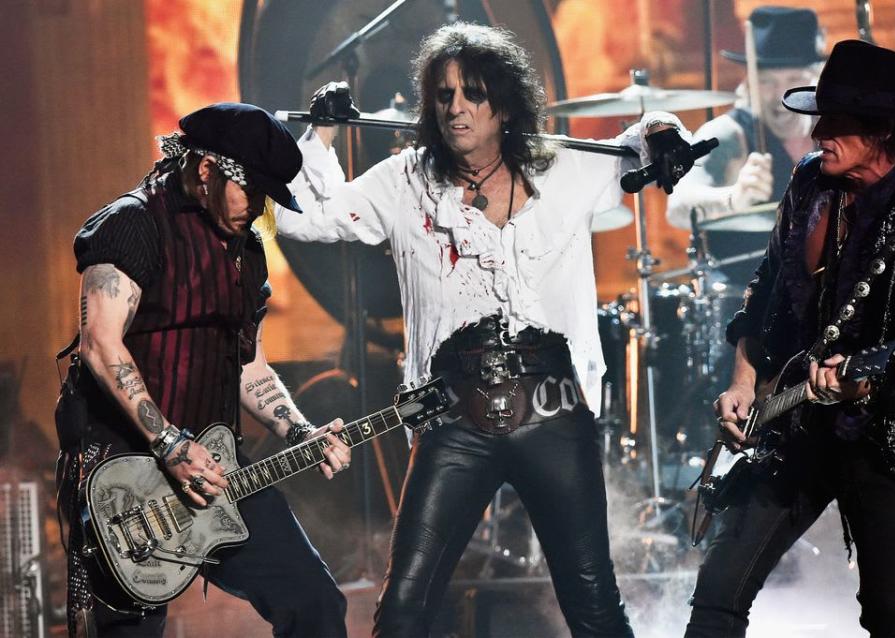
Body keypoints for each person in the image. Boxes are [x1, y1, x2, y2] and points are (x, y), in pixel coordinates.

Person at [275, 22, 696, 638]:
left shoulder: (564, 168)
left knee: (595, 607)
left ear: (504, 104)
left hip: (553, 419)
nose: (456, 108)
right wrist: (322, 135)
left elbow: (638, 143)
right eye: (444, 96)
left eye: (472, 93)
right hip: (453, 423)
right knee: (401, 612)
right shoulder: (405, 181)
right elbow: (308, 221)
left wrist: (666, 132)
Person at [685, 40, 895, 638]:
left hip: (880, 438)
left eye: (834, 121)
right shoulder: (810, 182)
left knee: (888, 616)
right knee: (717, 593)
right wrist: (743, 378)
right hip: (790, 425)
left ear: (883, 130)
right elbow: (765, 289)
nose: (815, 134)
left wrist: (858, 377)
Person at [56, 103, 352, 638]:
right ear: (208, 169)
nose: (258, 206)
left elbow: (248, 366)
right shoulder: (133, 222)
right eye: (251, 189)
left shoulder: (247, 250)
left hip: (217, 468)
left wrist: (300, 430)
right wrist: (169, 443)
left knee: (316, 604)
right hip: (127, 482)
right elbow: (100, 345)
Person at [666, 6, 824, 283]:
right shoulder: (727, 134)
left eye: (794, 80)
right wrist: (734, 198)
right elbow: (677, 207)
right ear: (749, 82)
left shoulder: (831, 136)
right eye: (766, 82)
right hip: (744, 302)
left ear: (816, 80)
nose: (780, 95)